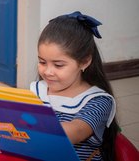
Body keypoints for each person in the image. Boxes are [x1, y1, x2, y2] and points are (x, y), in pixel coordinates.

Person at [30, 11, 119, 161]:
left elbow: (75, 131)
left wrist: (25, 128)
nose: (48, 71)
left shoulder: (98, 101)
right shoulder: (37, 90)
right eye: (42, 62)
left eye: (58, 65)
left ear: (84, 62)